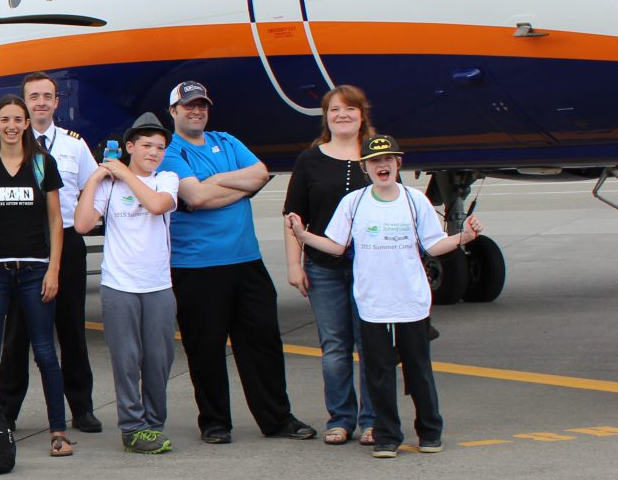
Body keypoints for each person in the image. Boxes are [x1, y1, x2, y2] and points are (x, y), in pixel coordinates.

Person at [284, 135, 482, 459]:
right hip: (373, 304)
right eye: (375, 161)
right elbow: (337, 246)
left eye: (388, 160)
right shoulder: (354, 203)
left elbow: (434, 245)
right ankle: (387, 436)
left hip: (411, 303)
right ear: (365, 167)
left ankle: (430, 431)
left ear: (398, 164)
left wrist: (464, 237)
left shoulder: (414, 200)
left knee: (418, 371)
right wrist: (303, 236)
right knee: (379, 374)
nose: (382, 166)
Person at [159, 81, 317, 445]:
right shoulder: (170, 152)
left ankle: (276, 418)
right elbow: (194, 196)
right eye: (188, 106)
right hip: (197, 267)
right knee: (205, 348)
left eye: (201, 105)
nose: (196, 111)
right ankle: (215, 422)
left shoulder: (227, 141)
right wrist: (232, 187)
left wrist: (213, 182)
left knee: (263, 344)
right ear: (174, 112)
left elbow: (260, 173)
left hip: (246, 262)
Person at [0, 95, 72, 458]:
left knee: (45, 353)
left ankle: (58, 430)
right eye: (4, 119)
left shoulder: (43, 163)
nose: (12, 125)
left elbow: (56, 221)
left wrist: (53, 269)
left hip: (34, 271)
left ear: (27, 124)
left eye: (18, 119)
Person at [0, 74, 101, 433]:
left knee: (71, 328)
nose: (40, 103)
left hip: (67, 243)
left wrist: (88, 221)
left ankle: (82, 408)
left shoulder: (74, 146)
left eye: (47, 97)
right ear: (23, 104)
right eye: (33, 97)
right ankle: (6, 410)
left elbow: (92, 188)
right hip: (22, 246)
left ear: (57, 102)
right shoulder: (7, 147)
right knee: (17, 333)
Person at [75, 113, 180, 455]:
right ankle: (132, 427)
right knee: (126, 358)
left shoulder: (167, 178)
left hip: (158, 285)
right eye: (146, 145)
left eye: (160, 147)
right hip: (119, 285)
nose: (153, 152)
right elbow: (82, 224)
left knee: (158, 359)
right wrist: (97, 178)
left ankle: (154, 423)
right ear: (130, 146)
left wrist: (123, 173)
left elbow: (156, 205)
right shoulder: (110, 185)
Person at [281, 85, 377, 446]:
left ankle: (372, 420)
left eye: (350, 109)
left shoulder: (377, 155)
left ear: (361, 114)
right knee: (335, 346)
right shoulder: (310, 160)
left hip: (370, 268)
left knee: (371, 345)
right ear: (326, 117)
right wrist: (295, 265)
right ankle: (340, 418)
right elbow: (293, 217)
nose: (342, 115)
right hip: (323, 267)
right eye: (334, 110)